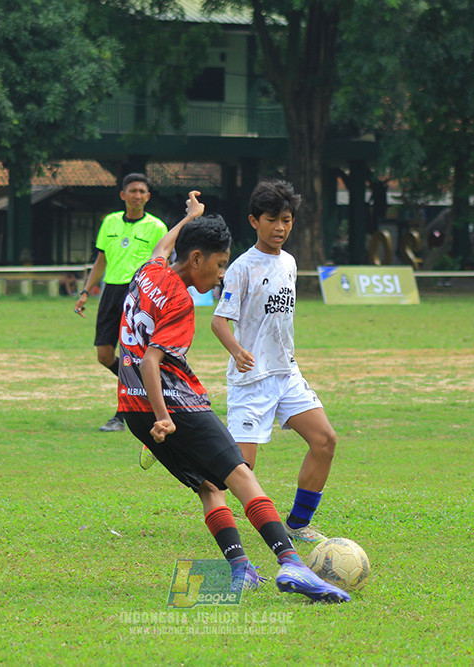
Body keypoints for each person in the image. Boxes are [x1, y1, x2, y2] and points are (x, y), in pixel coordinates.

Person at [118, 190, 350, 603]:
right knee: (241, 474)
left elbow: (163, 245)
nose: (221, 273)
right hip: (172, 403)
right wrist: (165, 416)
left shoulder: (149, 272)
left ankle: (242, 569)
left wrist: (191, 217)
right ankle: (293, 564)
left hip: (131, 406)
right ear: (197, 260)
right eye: (219, 264)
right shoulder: (179, 303)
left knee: (210, 486)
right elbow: (153, 361)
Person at [210, 179, 337, 543]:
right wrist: (237, 351)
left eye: (287, 220)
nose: (280, 228)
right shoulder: (241, 267)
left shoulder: (291, 263)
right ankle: (193, 469)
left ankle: (297, 525)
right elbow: (219, 321)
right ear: (254, 221)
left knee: (325, 440)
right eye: (272, 220)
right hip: (251, 381)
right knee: (239, 470)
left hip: (286, 373)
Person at [74, 173, 168, 433]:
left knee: (129, 357)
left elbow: (162, 265)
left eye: (142, 191)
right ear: (123, 195)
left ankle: (121, 416)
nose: (137, 195)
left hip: (138, 293)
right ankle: (147, 385)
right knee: (104, 355)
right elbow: (101, 260)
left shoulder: (157, 227)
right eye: (132, 191)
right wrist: (85, 291)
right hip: (110, 292)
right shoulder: (110, 223)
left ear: (148, 197)